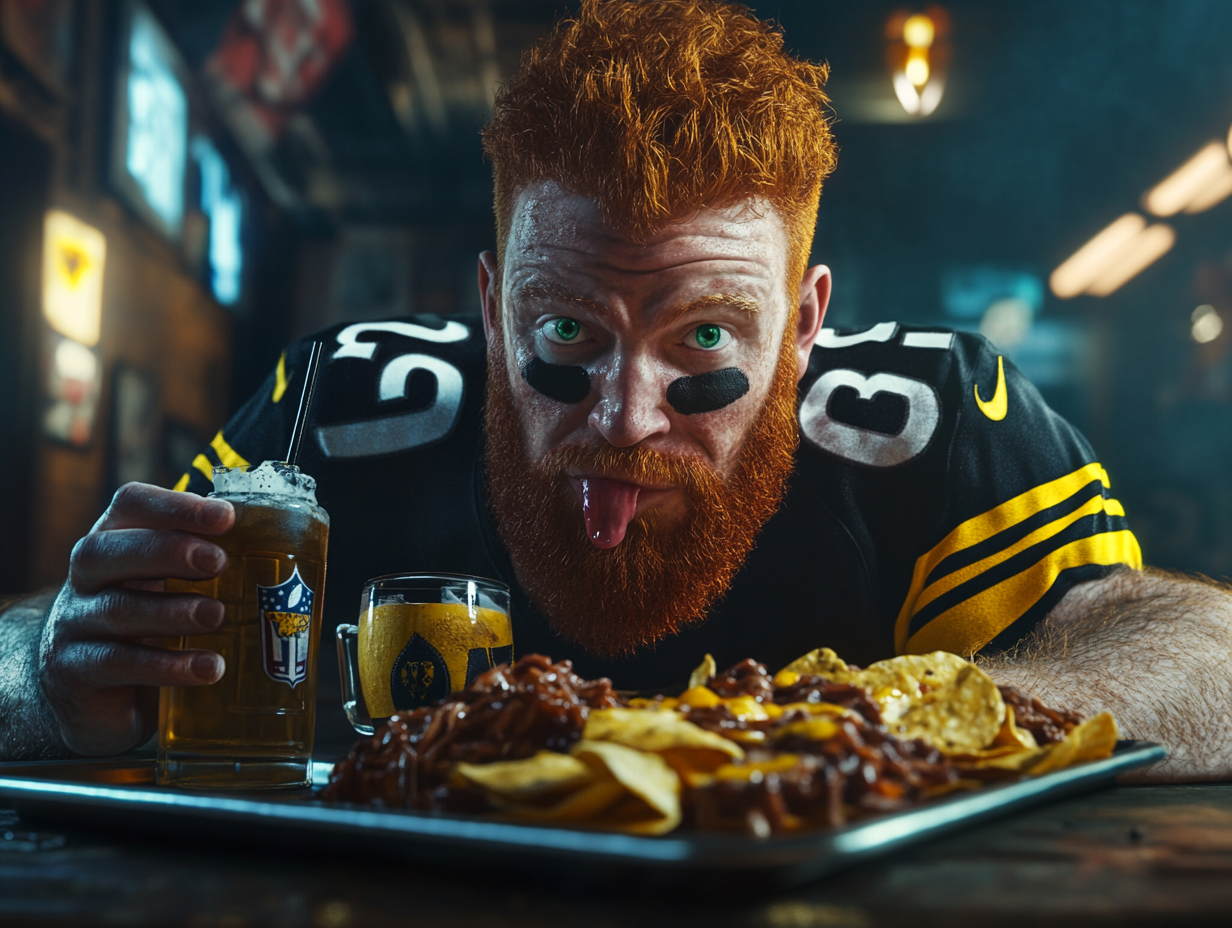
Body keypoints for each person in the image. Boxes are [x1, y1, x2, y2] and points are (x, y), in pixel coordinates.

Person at [1, 0, 1229, 780]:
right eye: (563, 327)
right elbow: (39, 639)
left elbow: (1205, 649)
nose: (623, 414)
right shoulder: (341, 412)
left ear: (803, 330)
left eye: (703, 337)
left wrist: (923, 717)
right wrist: (53, 675)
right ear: (487, 306)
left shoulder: (930, 427)